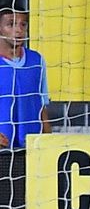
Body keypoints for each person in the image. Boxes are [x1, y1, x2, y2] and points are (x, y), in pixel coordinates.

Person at [0, 8, 50, 149]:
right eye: (11, 24)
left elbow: (42, 106)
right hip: (3, 147)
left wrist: (49, 142)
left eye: (23, 25)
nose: (18, 30)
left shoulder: (37, 60)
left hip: (32, 147)